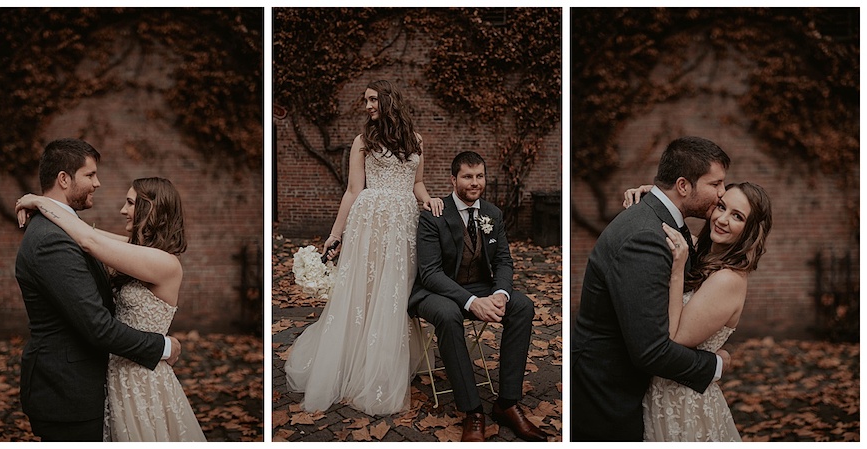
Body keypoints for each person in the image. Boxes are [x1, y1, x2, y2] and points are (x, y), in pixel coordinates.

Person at [16, 156, 205, 441]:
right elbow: (92, 235)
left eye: (130, 203)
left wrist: (41, 202)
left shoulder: (164, 263)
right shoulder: (136, 251)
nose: (122, 210)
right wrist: (48, 207)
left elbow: (90, 241)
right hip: (117, 374)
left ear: (150, 208)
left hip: (142, 377)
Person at [284, 80, 445, 415]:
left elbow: (416, 182)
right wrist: (336, 233)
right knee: (367, 292)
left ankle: (385, 361)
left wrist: (428, 200)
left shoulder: (415, 141)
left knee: (396, 292)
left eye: (372, 99)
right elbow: (353, 190)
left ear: (388, 100)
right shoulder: (363, 141)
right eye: (365, 100)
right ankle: (354, 363)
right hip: (370, 223)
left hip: (404, 225)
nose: (367, 105)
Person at [570, 136, 734, 441]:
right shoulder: (644, 236)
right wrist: (715, 364)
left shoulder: (662, 219)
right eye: (716, 184)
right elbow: (650, 350)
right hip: (606, 394)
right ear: (684, 186)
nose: (722, 193)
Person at [408, 151, 547, 442]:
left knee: (522, 305)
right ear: (453, 179)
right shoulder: (434, 214)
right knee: (448, 314)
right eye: (468, 176)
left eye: (479, 176)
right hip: (436, 291)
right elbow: (431, 273)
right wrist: (472, 302)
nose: (475, 183)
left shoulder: (493, 214)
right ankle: (472, 411)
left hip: (483, 287)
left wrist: (499, 294)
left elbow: (504, 262)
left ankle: (507, 403)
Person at [623, 181, 772, 441]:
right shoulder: (705, 254)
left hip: (684, 401)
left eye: (737, 216)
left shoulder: (728, 279)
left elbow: (675, 338)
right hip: (661, 392)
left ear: (749, 230)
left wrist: (678, 269)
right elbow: (672, 224)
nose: (722, 219)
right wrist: (653, 195)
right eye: (722, 207)